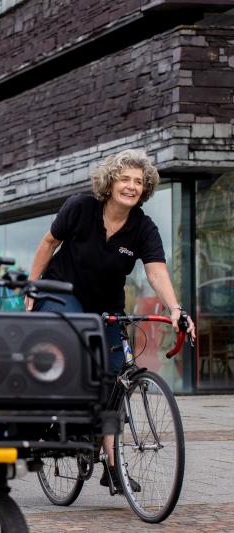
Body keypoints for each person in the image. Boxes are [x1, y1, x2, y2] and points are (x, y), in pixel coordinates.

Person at [27, 148, 196, 491]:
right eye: (125, 179)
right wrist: (32, 287)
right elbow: (48, 243)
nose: (132, 186)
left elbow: (156, 272)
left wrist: (176, 309)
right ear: (110, 182)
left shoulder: (143, 228)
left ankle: (113, 466)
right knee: (78, 339)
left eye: (139, 181)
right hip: (60, 293)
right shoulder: (80, 207)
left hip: (106, 305)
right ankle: (55, 419)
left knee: (115, 378)